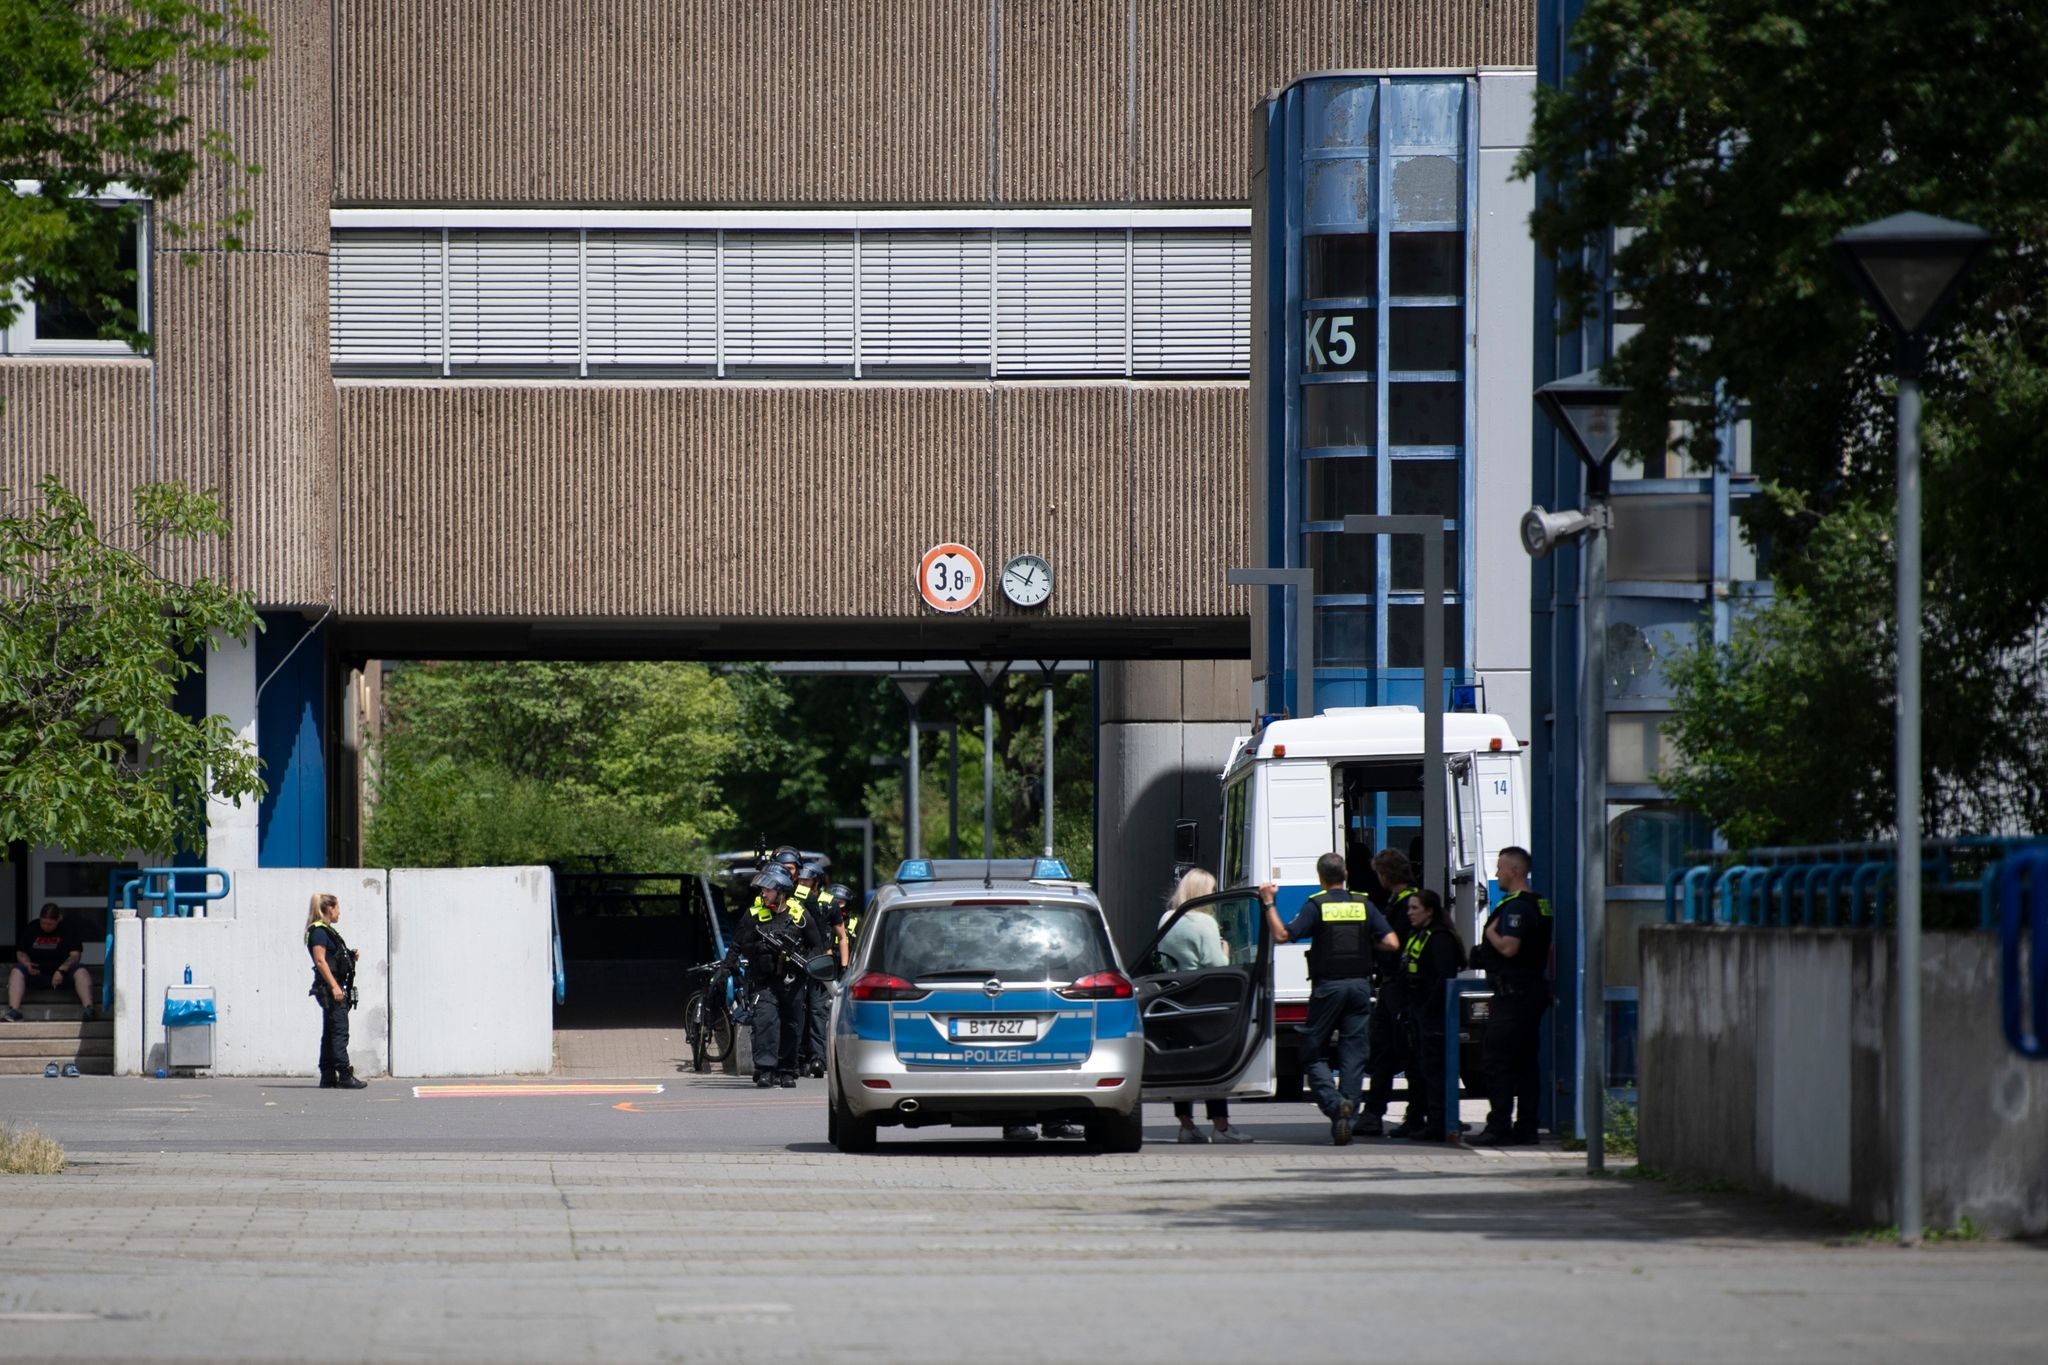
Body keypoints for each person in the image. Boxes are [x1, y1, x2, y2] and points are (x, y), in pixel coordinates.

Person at [1260, 852, 1397, 1145]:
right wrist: (1365, 944)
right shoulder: (1364, 904)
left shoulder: (1316, 905)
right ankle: (1347, 1112)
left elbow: (1283, 935)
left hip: (1328, 989)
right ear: (1345, 874)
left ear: (1321, 878)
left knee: (1312, 1052)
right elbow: (1392, 941)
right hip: (1360, 989)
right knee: (1353, 1055)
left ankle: (1337, 1107)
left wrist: (1269, 902)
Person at [1156, 868, 1253, 1145]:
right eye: (1211, 890)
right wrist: (1225, 951)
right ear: (1201, 893)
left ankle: (1186, 1125)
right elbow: (1217, 965)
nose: (1214, 895)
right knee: (1214, 1061)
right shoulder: (1205, 922)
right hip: (1203, 997)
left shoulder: (1166, 918)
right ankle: (1221, 1126)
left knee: (1182, 1064)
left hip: (1172, 995)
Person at [1469, 846, 1553, 1147]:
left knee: (1497, 1061)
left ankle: (1499, 1127)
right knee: (1526, 1063)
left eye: (1501, 868)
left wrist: (1491, 931)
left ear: (1515, 871)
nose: (1497, 874)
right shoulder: (1541, 904)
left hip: (1514, 994)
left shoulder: (1516, 907)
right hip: (1532, 991)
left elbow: (1508, 948)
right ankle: (1527, 1127)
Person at [736, 865, 814, 1088]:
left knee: (791, 1024)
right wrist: (762, 949)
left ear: (781, 892)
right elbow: (743, 945)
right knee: (765, 1022)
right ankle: (766, 1069)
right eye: (762, 890)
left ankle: (787, 1070)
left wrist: (801, 959)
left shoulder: (800, 916)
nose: (763, 894)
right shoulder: (755, 915)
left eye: (767, 890)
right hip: (765, 980)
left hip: (793, 980)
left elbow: (817, 946)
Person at [1360, 848, 1421, 1137]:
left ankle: (1415, 1115)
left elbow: (1397, 945)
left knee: (1406, 1052)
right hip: (1393, 986)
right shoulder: (1402, 901)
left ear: (1384, 875)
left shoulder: (1409, 903)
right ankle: (1374, 1113)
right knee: (1383, 1050)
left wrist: (1368, 942)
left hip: (1402, 987)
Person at [1399, 887, 1467, 1141]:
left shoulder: (1439, 938)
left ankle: (1441, 1122)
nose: (1410, 913)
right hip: (1419, 1010)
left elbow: (1443, 978)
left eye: (1415, 908)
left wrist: (1427, 1007)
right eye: (1409, 908)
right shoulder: (1419, 934)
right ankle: (1430, 1119)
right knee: (1423, 1068)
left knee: (1436, 1069)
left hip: (1434, 1013)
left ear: (1429, 911)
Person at [304, 892, 367, 1089]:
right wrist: (334, 986)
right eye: (338, 907)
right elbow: (320, 960)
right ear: (329, 909)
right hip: (330, 989)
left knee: (331, 1031)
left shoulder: (326, 931)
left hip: (333, 986)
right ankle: (345, 1075)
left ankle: (328, 1075)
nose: (340, 912)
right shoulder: (319, 932)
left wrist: (350, 956)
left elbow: (332, 957)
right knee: (340, 1031)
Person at [5, 904, 95, 1023]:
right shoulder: (32, 927)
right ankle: (14, 1011)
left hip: (63, 974)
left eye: (50, 924)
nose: (46, 927)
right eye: (43, 923)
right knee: (16, 971)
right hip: (37, 973)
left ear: (58, 920)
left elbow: (75, 955)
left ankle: (89, 1009)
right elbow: (21, 953)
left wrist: (61, 970)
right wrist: (27, 964)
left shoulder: (68, 929)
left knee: (81, 971)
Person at [792, 860, 835, 1078]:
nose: (803, 883)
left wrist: (838, 963)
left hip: (818, 960)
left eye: (807, 880)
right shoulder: (793, 899)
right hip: (799, 959)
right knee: (799, 1009)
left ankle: (818, 1058)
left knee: (818, 1011)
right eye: (801, 879)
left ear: (816, 881)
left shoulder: (827, 902)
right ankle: (798, 1059)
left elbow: (836, 933)